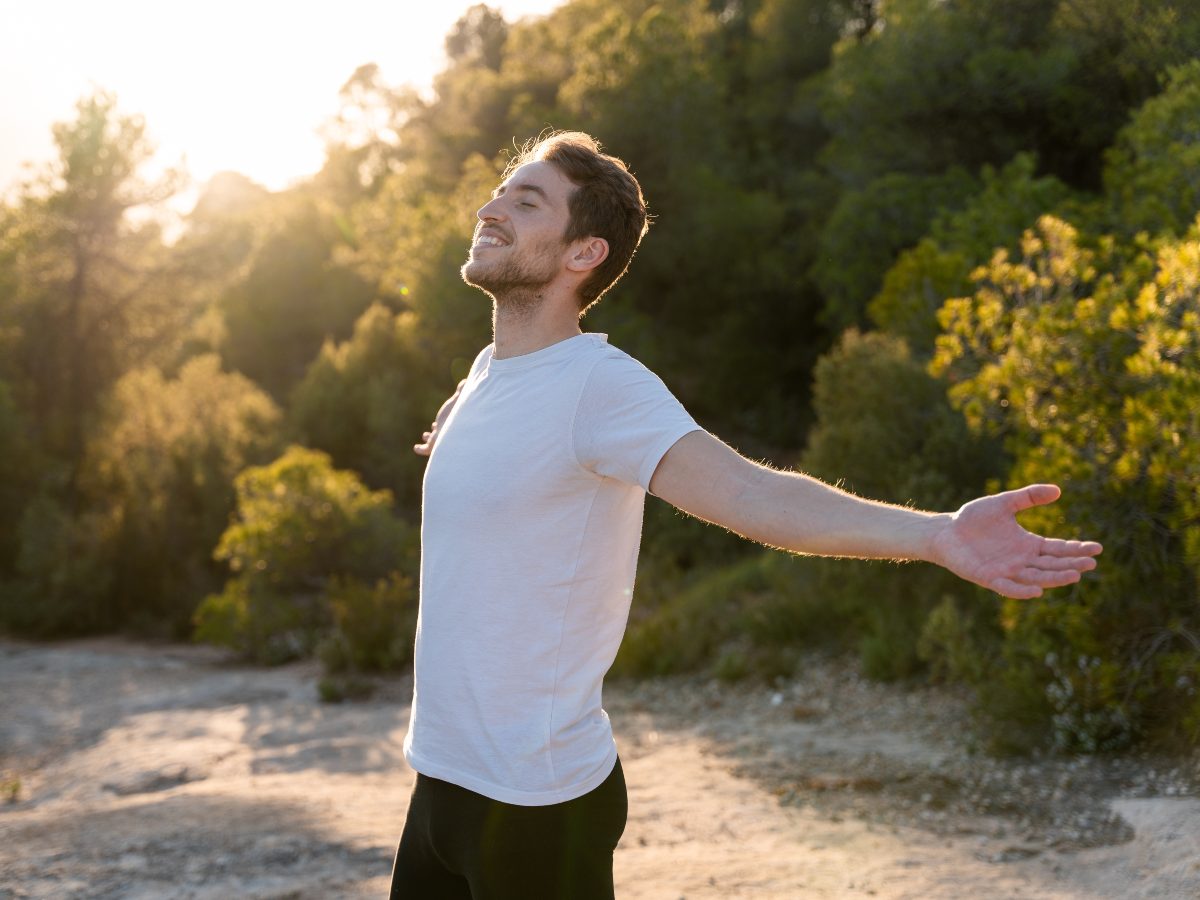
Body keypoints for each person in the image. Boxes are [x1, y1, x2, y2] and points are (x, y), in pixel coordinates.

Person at [388, 132, 1102, 899]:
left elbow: (752, 494)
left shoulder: (601, 386)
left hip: (537, 804)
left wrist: (935, 534)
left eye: (525, 202)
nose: (491, 207)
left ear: (581, 254)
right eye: (501, 191)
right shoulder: (487, 375)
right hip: (441, 780)